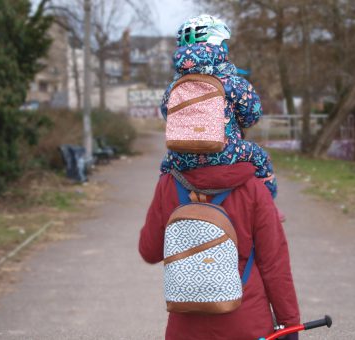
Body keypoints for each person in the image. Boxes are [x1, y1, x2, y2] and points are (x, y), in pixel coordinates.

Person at [139, 161, 300, 339]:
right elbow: (274, 264)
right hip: (247, 321)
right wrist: (289, 323)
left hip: (186, 325)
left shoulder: (168, 183)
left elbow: (149, 251)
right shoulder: (253, 187)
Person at [159, 14, 278, 198]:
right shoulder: (233, 83)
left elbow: (167, 113)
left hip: (180, 156)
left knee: (165, 169)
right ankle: (268, 204)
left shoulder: (173, 87)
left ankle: (164, 201)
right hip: (225, 153)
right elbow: (252, 116)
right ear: (219, 46)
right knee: (260, 156)